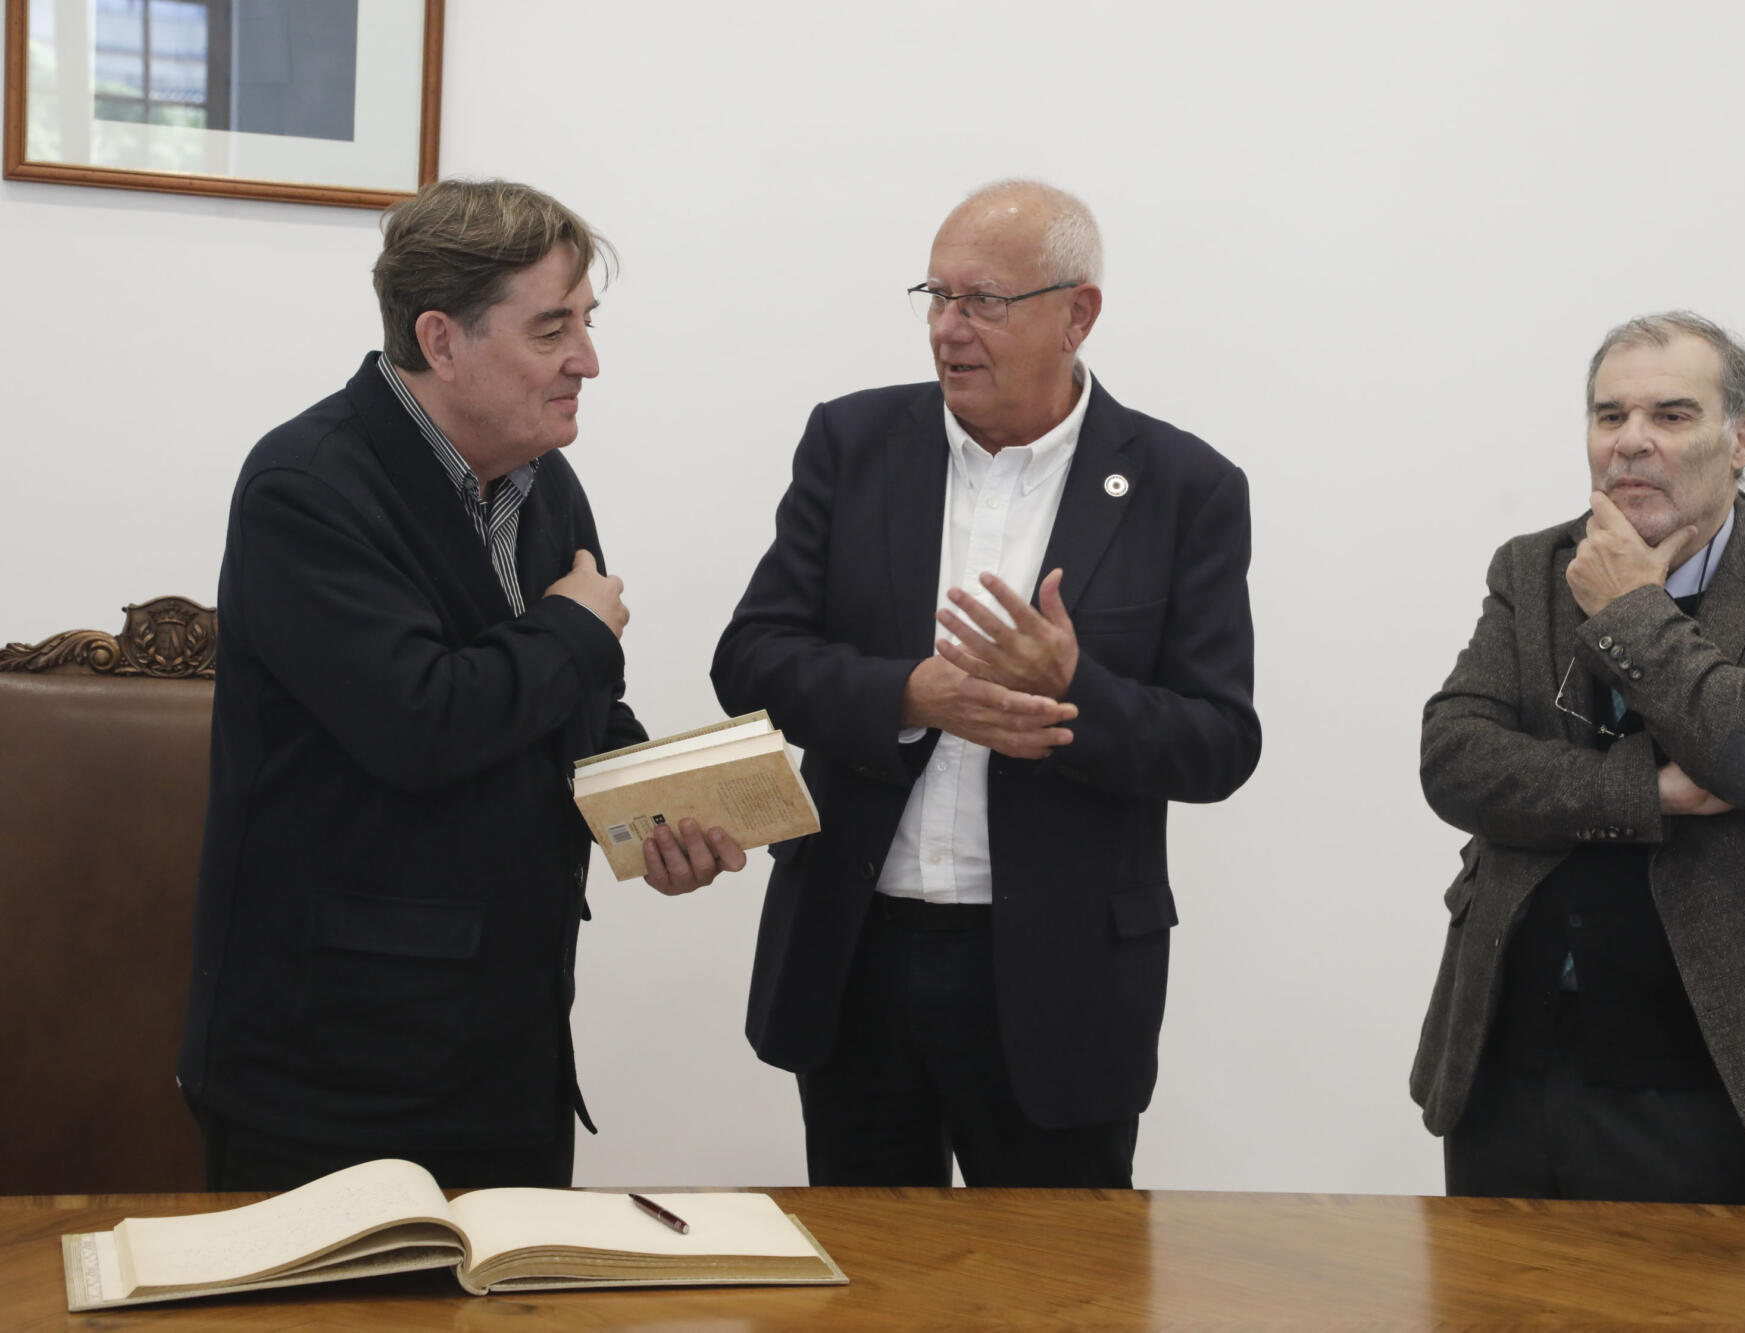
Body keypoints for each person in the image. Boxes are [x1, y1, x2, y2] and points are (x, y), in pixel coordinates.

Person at [179, 179, 745, 1191]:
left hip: (512, 1056)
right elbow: (421, 721)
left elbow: (573, 704)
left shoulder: (544, 478)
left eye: (587, 323)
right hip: (331, 1074)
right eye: (552, 330)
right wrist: (575, 626)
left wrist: (652, 817)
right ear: (440, 341)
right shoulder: (305, 486)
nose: (588, 360)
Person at [711, 180, 1259, 1187]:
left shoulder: (1185, 487)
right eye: (936, 296)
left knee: (1061, 1273)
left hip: (1061, 980)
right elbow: (750, 654)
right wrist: (909, 696)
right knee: (868, 1268)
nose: (947, 328)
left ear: (1077, 314)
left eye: (983, 301)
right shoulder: (853, 444)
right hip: (857, 958)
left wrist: (1073, 686)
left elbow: (1220, 742)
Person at [1412, 311, 1745, 1207]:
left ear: (1744, 440)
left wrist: (1632, 611)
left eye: (1671, 414)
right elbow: (1455, 757)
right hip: (1514, 1058)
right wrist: (1652, 788)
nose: (1631, 441)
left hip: (1734, 1071)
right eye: (1609, 415)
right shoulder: (1531, 569)